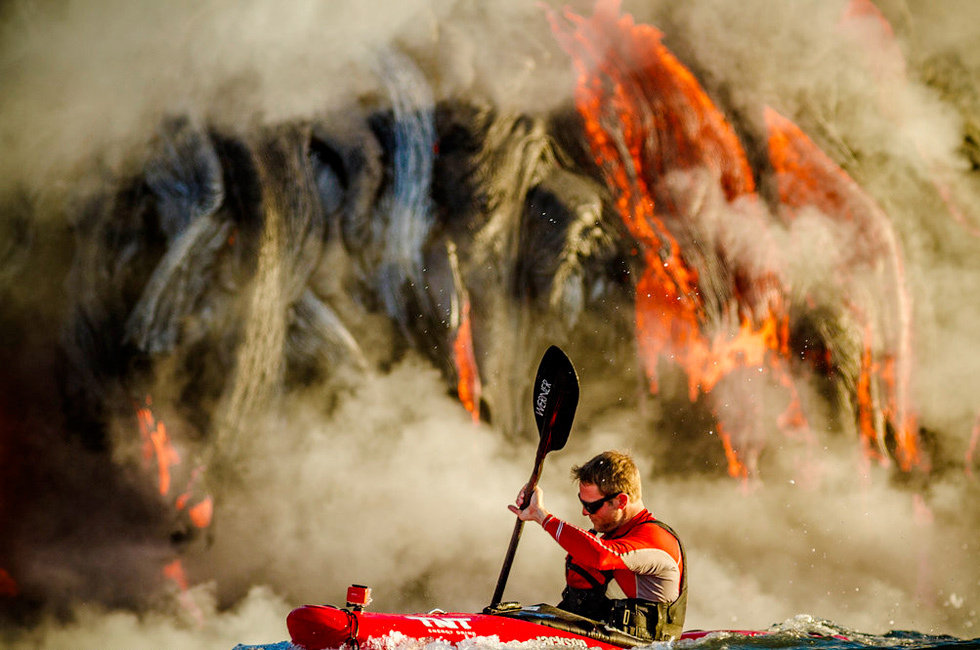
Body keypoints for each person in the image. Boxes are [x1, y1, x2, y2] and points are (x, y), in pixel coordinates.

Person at [508, 450, 687, 641]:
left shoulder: (655, 539)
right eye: (582, 502)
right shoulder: (615, 534)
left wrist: (541, 516)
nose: (584, 512)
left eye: (592, 506)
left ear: (621, 501)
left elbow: (601, 557)